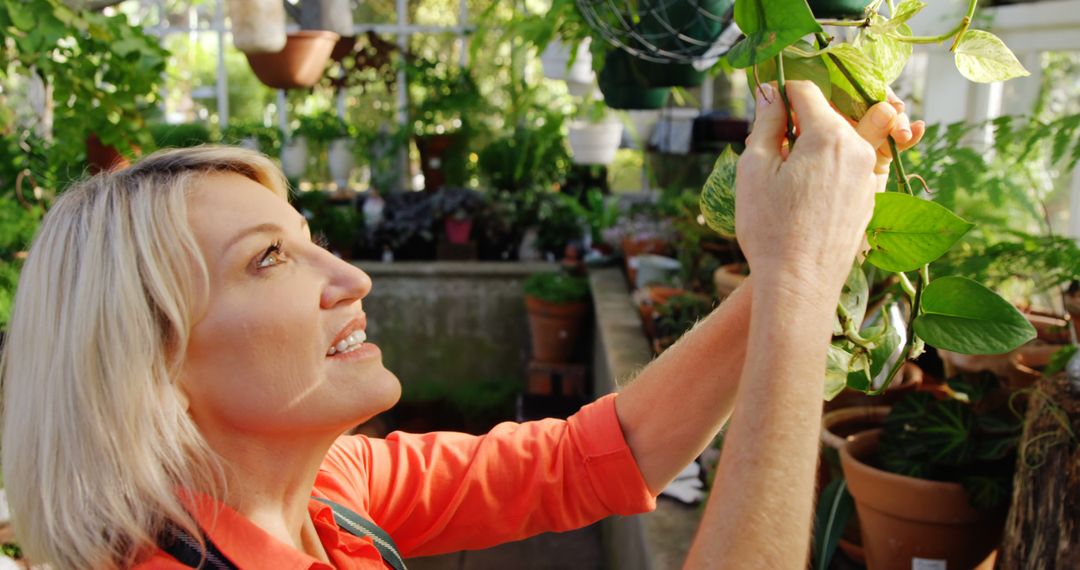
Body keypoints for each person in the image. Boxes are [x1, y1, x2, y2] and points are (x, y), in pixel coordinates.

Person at [0, 81, 922, 570]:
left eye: (310, 241)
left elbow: (598, 456)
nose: (351, 278)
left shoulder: (326, 492)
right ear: (151, 363)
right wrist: (798, 287)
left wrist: (806, 245)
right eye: (269, 260)